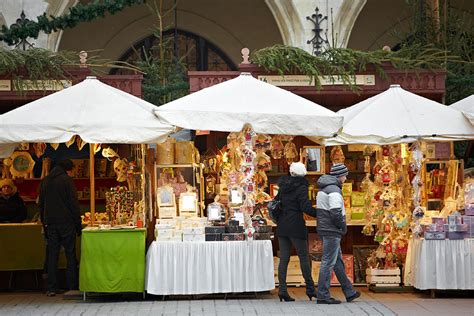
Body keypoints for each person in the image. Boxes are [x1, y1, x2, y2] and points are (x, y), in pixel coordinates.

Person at [316, 163, 360, 304]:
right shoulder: (334, 190)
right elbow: (335, 212)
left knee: (337, 262)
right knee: (328, 262)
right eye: (345, 175)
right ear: (339, 176)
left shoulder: (325, 187)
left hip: (326, 228)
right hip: (332, 229)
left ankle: (349, 292)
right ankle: (323, 295)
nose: (346, 178)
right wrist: (342, 226)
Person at [39, 159, 81, 297]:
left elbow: (41, 204)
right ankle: (72, 286)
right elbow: (73, 204)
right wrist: (78, 225)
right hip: (66, 222)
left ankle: (51, 287)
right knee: (70, 253)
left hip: (50, 222)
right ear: (68, 169)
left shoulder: (45, 181)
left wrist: (44, 223)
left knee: (52, 255)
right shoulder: (66, 181)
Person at [276, 162, 317, 302]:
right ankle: (310, 289)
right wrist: (320, 213)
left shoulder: (283, 187)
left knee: (284, 259)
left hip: (282, 225)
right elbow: (305, 207)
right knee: (304, 257)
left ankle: (282, 290)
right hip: (296, 225)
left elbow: (276, 203)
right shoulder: (301, 187)